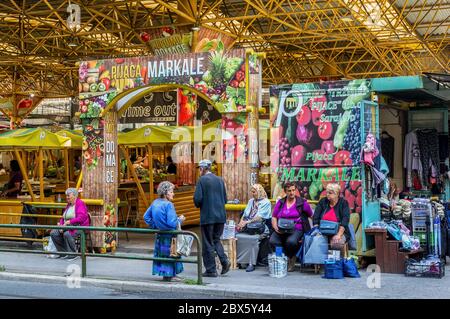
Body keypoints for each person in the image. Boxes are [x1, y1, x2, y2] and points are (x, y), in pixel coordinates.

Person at [193, 159, 230, 277]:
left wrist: (199, 204)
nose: (199, 171)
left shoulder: (201, 180)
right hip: (220, 216)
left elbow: (197, 199)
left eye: (199, 169)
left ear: (203, 169)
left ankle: (211, 270)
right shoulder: (219, 180)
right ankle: (224, 261)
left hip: (208, 216)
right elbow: (225, 199)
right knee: (216, 239)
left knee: (207, 242)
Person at [144, 181, 186, 282]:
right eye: (171, 191)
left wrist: (155, 226)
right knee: (171, 254)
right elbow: (172, 223)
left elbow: (146, 217)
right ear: (166, 192)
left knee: (163, 255)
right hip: (170, 235)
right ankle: (171, 276)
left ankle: (166, 275)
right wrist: (180, 219)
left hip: (160, 234)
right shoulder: (168, 205)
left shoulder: (155, 202)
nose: (173, 194)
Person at [270, 182, 314, 272]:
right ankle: (283, 257)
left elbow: (311, 215)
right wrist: (275, 227)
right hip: (281, 228)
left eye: (293, 190)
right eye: (289, 191)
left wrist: (313, 229)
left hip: (296, 228)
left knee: (291, 241)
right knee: (273, 241)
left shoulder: (302, 203)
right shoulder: (281, 202)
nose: (292, 193)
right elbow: (274, 216)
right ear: (285, 191)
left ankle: (291, 258)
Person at [235, 184, 271, 272]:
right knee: (238, 236)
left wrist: (247, 222)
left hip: (261, 227)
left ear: (259, 192)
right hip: (249, 226)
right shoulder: (251, 201)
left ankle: (252, 263)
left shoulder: (266, 202)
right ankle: (241, 261)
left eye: (254, 192)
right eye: (251, 191)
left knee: (253, 239)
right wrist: (240, 223)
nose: (252, 193)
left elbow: (260, 217)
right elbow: (245, 213)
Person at [50, 188, 89, 260]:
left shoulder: (80, 203)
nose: (67, 197)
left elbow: (81, 218)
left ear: (74, 196)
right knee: (54, 233)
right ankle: (63, 252)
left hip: (79, 226)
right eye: (66, 195)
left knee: (67, 234)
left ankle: (73, 254)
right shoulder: (68, 205)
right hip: (68, 226)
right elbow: (63, 217)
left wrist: (70, 221)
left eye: (68, 195)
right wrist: (61, 224)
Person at [313, 183, 350, 255]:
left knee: (337, 244)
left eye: (330, 193)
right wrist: (317, 231)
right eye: (327, 192)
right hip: (322, 231)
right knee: (316, 241)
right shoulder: (323, 201)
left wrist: (339, 235)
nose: (327, 194)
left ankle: (337, 264)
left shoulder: (343, 203)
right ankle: (320, 264)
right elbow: (315, 218)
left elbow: (345, 220)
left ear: (337, 194)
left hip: (339, 231)